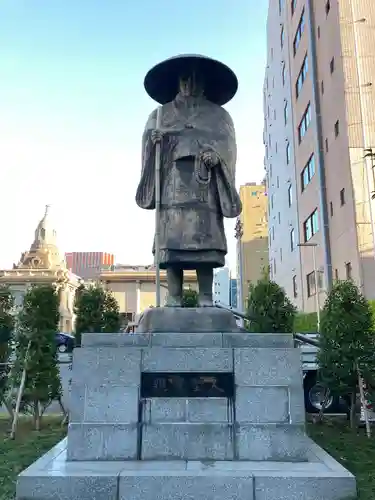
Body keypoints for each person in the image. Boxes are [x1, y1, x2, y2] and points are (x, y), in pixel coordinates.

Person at [136, 55, 241, 307]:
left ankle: (206, 296)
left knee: (205, 241)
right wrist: (154, 141)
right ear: (177, 82)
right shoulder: (160, 114)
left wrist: (216, 156)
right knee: (173, 242)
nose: (190, 84)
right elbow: (147, 142)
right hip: (172, 185)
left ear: (204, 83)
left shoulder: (219, 116)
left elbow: (228, 146)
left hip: (205, 186)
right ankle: (174, 296)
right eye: (185, 78)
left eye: (196, 79)